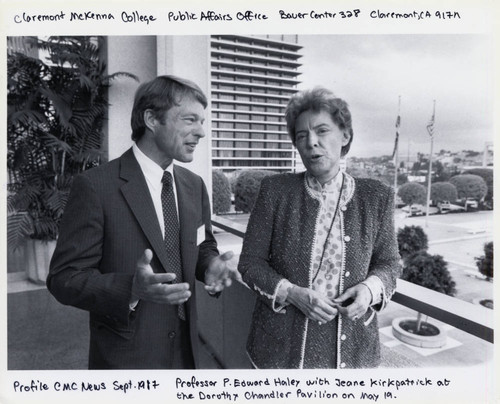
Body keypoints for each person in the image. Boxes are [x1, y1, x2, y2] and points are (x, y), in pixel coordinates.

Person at [47, 75, 240, 369]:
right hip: (127, 359)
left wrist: (211, 265)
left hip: (188, 355)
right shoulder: (96, 186)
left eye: (202, 122)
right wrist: (132, 289)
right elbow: (64, 279)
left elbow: (202, 245)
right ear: (151, 118)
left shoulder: (194, 185)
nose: (201, 132)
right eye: (190, 120)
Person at [238, 87, 402, 369]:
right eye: (301, 136)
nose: (311, 142)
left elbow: (389, 263)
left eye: (322, 131)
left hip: (353, 353)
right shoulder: (275, 191)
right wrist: (291, 293)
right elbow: (250, 263)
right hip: (279, 351)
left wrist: (368, 290)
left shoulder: (376, 196)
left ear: (345, 136)